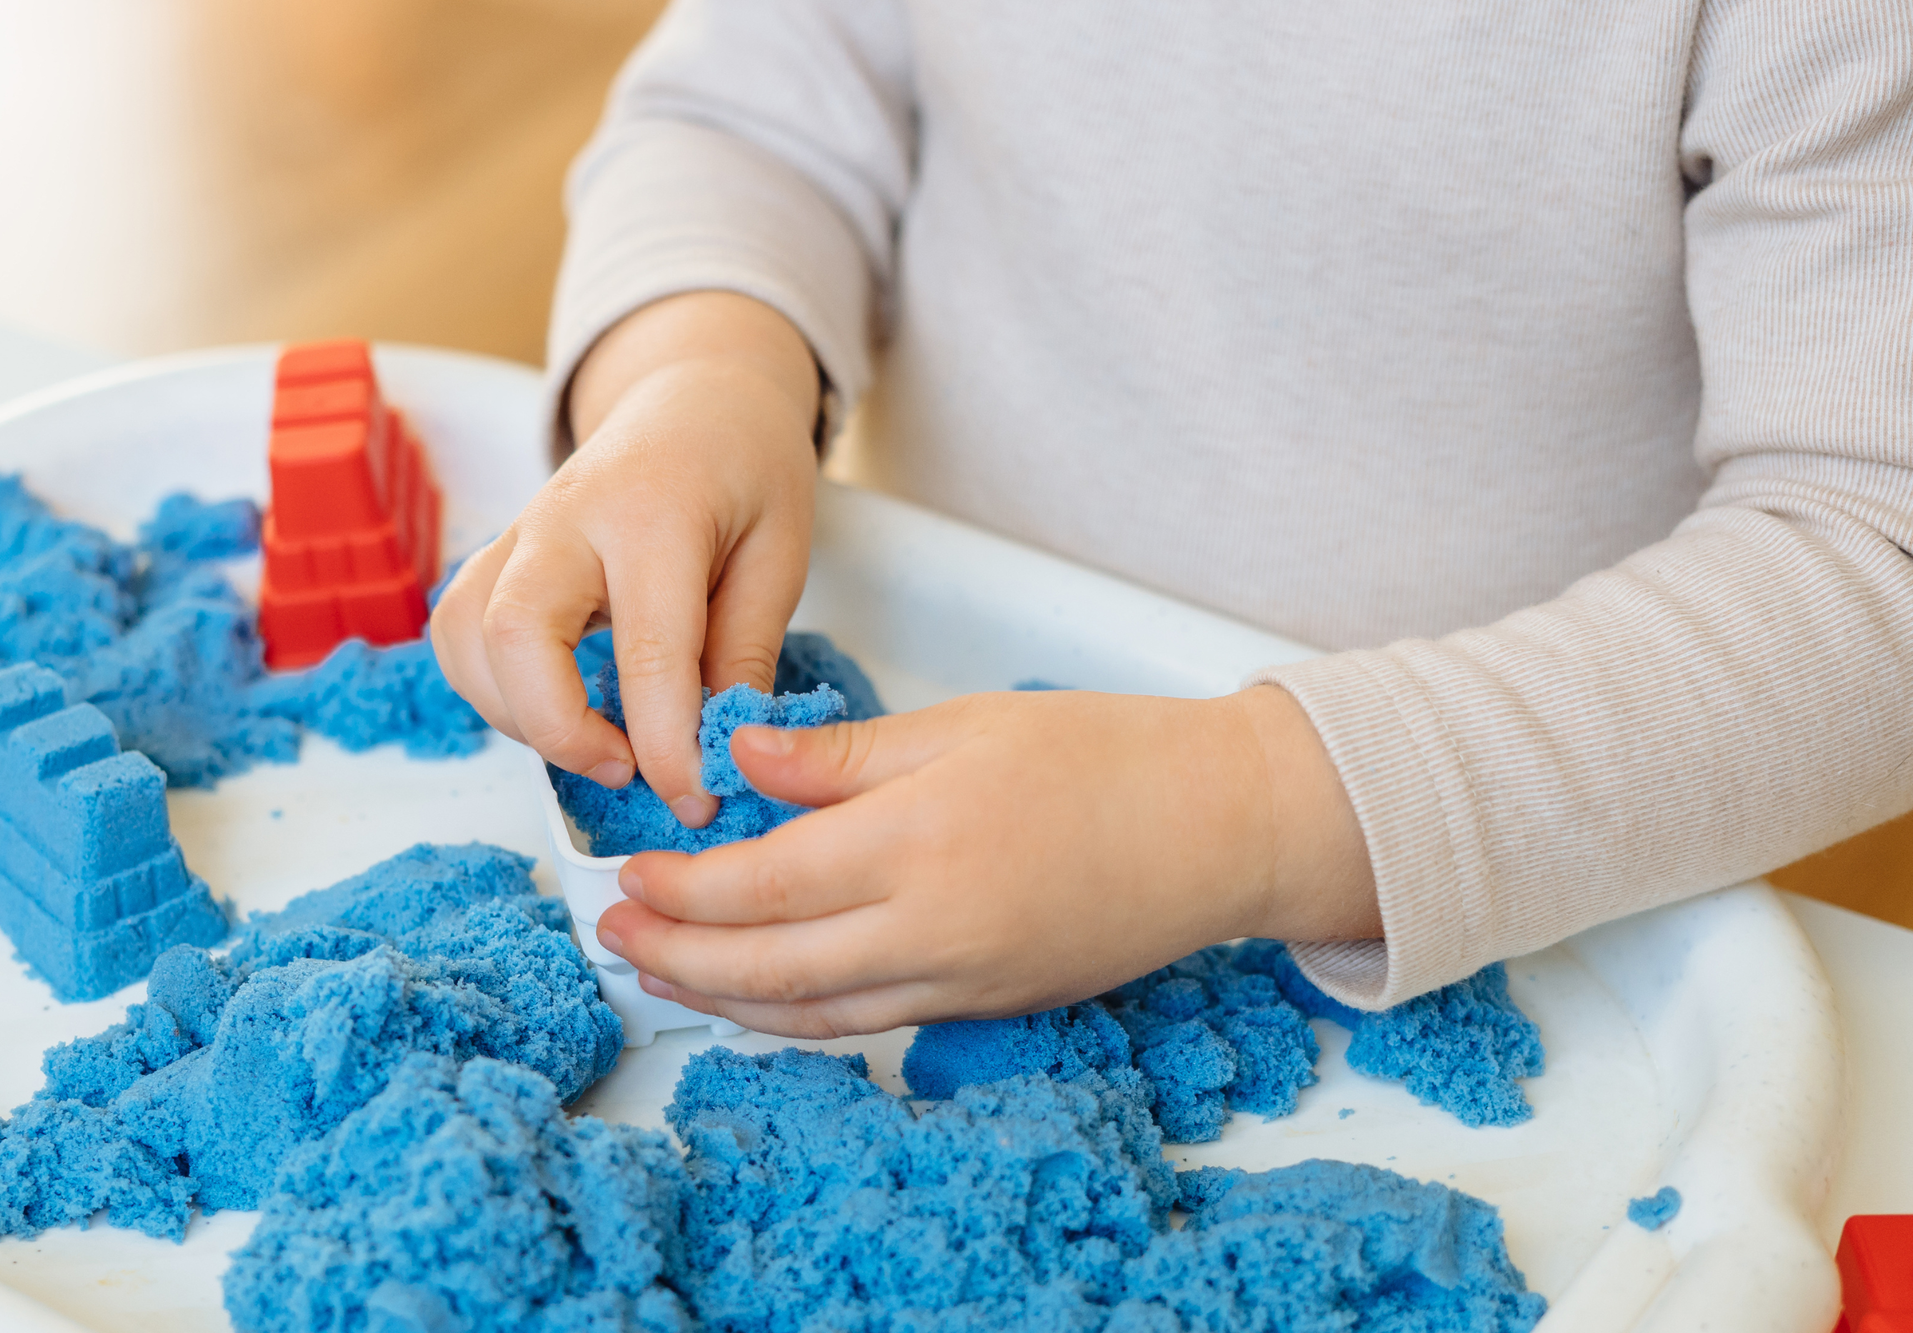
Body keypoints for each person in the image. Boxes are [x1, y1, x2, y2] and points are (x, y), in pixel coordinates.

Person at [429, 1, 1913, 1039]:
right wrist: (702, 369)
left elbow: (1873, 544)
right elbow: (757, 101)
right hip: (931, 718)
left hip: (1492, 888)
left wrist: (1243, 807)